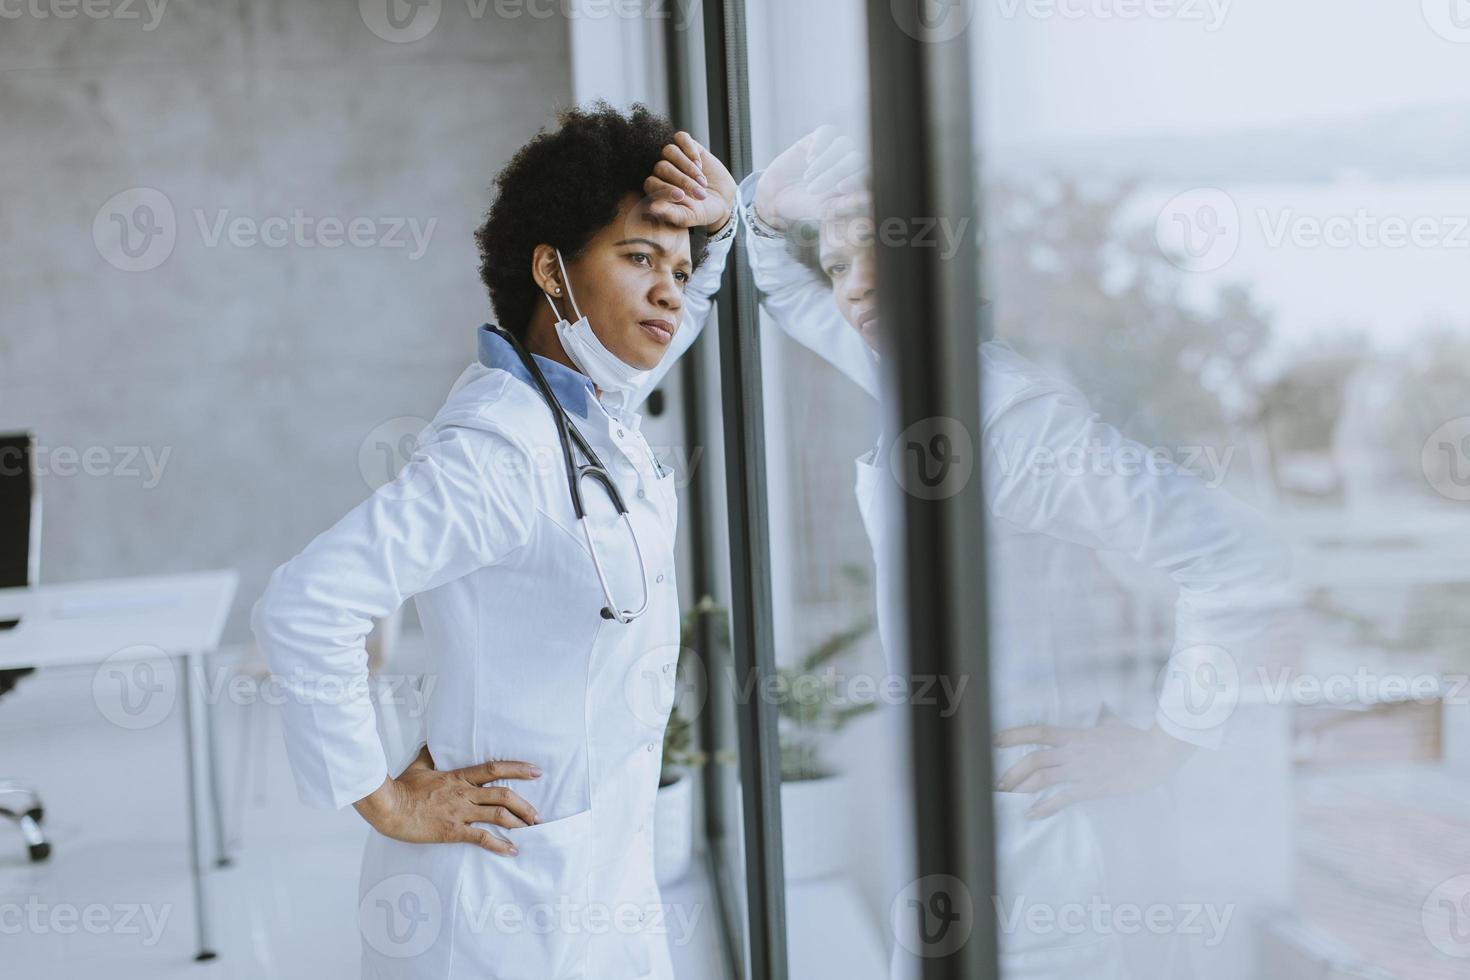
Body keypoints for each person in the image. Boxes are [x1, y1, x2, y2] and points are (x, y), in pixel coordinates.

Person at [740, 126, 1291, 979]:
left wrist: (1169, 739)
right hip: (961, 843)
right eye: (844, 262)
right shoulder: (917, 379)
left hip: (1038, 873)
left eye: (889, 247)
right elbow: (783, 283)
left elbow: (1238, 558)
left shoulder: (1012, 424)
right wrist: (772, 203)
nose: (858, 288)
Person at [251, 101, 738, 980]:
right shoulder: (497, 451)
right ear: (551, 270)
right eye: (638, 258)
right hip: (496, 902)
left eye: (679, 263)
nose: (670, 287)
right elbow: (306, 603)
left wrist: (725, 221)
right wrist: (385, 799)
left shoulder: (594, 402)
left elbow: (686, 308)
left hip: (591, 869)